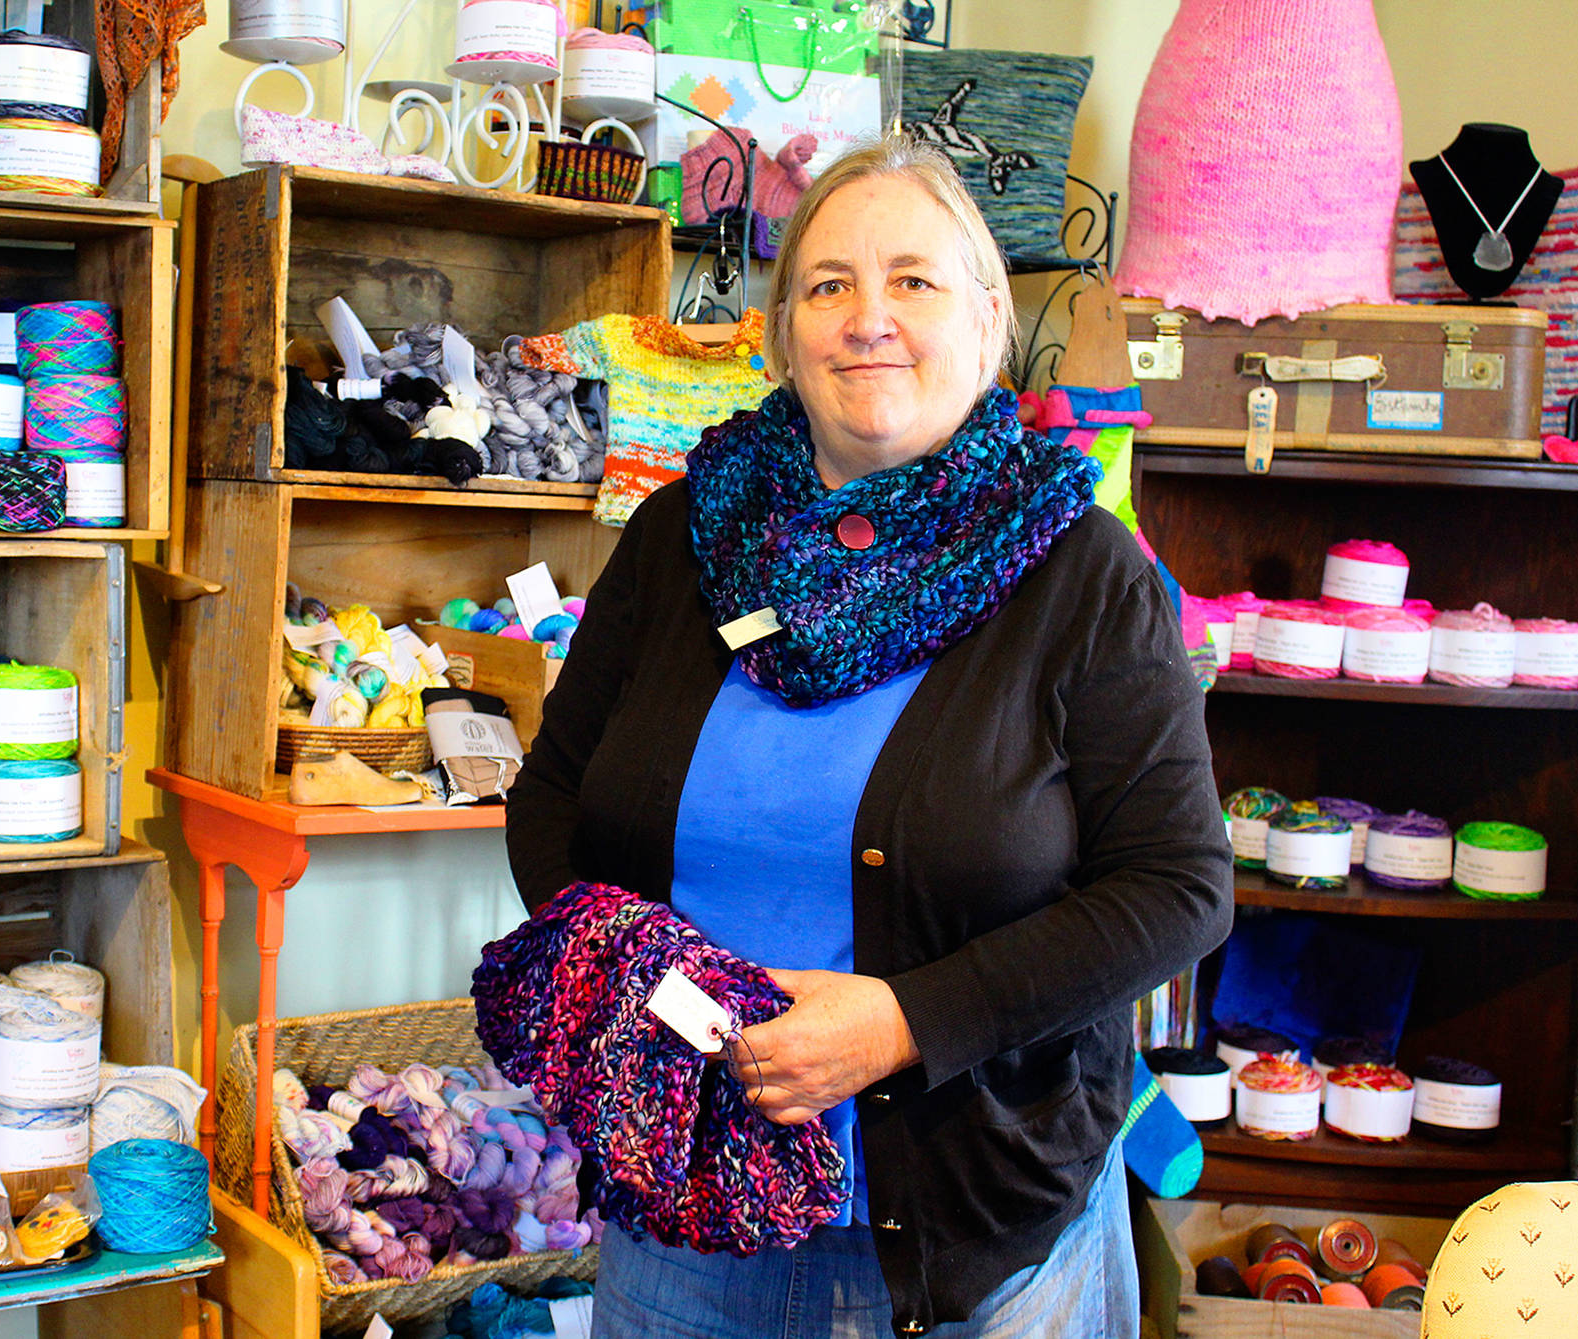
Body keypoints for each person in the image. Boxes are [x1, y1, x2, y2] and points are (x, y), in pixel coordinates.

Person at [503, 135, 1233, 1338]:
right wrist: (625, 967)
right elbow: (552, 798)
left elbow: (1176, 889)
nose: (866, 318)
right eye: (827, 283)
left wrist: (903, 1023)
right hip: (681, 1200)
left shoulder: (1079, 572)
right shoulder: (682, 538)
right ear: (783, 323)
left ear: (987, 317)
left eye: (912, 280)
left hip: (973, 1234)